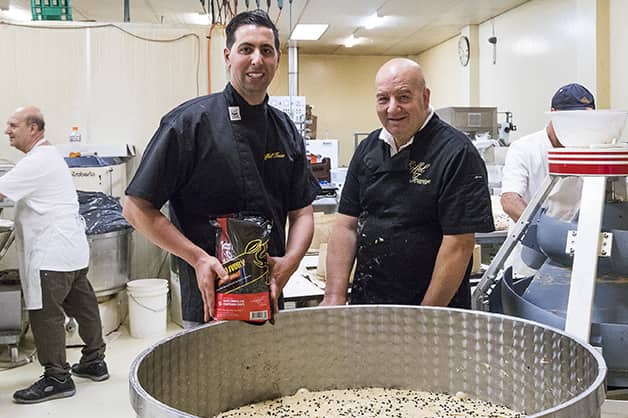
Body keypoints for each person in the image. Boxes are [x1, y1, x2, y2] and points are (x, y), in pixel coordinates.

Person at [123, 9, 320, 325]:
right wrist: (197, 258)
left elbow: (302, 212)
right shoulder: (189, 124)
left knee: (266, 374)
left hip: (267, 297)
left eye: (266, 50)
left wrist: (290, 263)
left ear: (277, 59)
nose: (257, 59)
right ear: (228, 56)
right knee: (203, 374)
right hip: (208, 303)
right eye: (246, 49)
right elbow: (135, 208)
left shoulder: (285, 129)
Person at [320, 58, 494, 307]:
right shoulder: (368, 149)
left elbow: (458, 245)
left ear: (425, 97)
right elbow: (345, 226)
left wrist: (424, 318)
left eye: (403, 97)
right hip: (368, 304)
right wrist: (334, 296)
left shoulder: (456, 153)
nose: (392, 109)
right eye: (383, 99)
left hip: (433, 310)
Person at [0, 106, 108, 404]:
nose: (7, 130)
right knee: (83, 305)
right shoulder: (50, 157)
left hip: (50, 253)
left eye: (13, 125)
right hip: (71, 250)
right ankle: (94, 361)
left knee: (46, 315)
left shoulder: (36, 162)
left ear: (33, 129)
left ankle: (57, 378)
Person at [500, 83, 595, 222]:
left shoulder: (590, 150)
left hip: (573, 236)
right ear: (553, 113)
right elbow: (509, 200)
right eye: (572, 118)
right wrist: (539, 228)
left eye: (585, 119)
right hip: (531, 237)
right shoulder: (524, 148)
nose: (578, 124)